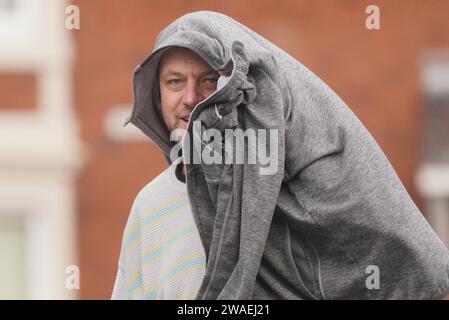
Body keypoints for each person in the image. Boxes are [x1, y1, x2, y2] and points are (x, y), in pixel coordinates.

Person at [112, 11, 449, 300]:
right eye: (174, 82)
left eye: (209, 80)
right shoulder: (149, 205)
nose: (190, 97)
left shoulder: (284, 197)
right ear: (157, 95)